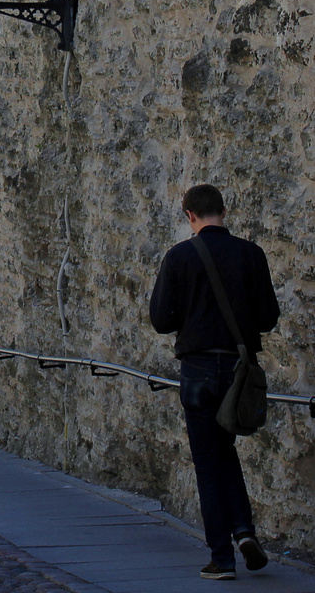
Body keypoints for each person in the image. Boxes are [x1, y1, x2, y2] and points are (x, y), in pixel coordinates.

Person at [149, 184, 279, 581]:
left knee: (208, 462)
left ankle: (222, 557)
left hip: (199, 370)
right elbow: (268, 317)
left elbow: (161, 320)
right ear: (225, 210)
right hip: (238, 371)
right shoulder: (251, 255)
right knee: (226, 452)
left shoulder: (179, 257)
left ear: (188, 214)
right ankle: (243, 532)